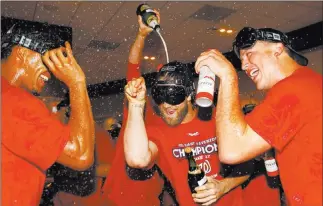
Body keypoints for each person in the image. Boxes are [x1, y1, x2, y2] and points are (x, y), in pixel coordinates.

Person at [194, 27, 322, 205]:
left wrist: (227, 76)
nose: (244, 65)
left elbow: (232, 150)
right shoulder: (309, 82)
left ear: (277, 48)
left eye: (249, 54)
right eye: (241, 60)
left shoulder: (293, 89)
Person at [123, 61, 257, 206]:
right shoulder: (158, 132)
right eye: (159, 96)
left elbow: (247, 166)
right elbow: (137, 160)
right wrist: (136, 104)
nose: (166, 104)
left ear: (188, 94)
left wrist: (222, 187)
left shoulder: (216, 119)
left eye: (173, 96)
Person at [1, 26, 95, 206]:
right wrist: (77, 83)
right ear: (21, 53)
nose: (51, 72)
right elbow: (80, 154)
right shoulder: (13, 100)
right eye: (47, 59)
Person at [101, 9, 170, 206]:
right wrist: (141, 35)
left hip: (150, 199)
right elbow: (133, 66)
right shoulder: (139, 108)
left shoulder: (170, 125)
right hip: (119, 198)